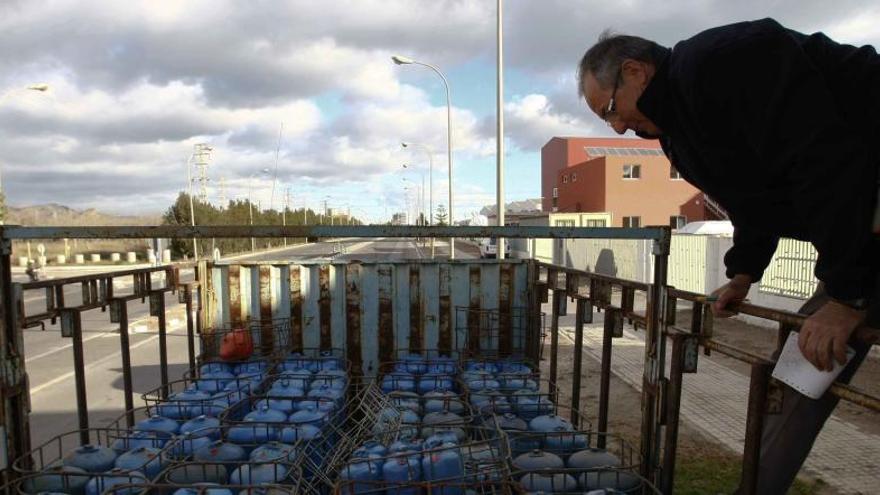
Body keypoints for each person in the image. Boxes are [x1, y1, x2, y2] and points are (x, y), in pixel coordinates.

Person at [577, 18, 879, 493]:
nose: (618, 127)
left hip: (865, 208)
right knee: (805, 364)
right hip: (860, 231)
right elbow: (753, 199)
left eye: (611, 110)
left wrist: (845, 295)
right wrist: (743, 272)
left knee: (817, 349)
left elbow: (827, 162)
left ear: (636, 71)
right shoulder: (678, 132)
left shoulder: (723, 62)